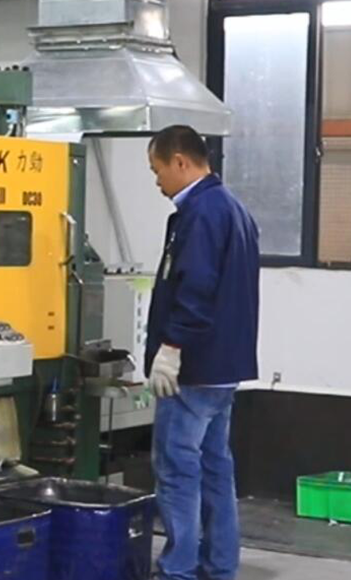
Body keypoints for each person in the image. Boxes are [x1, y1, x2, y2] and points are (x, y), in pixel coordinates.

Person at [143, 125, 261, 580]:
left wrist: (171, 347)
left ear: (180, 161)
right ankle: (219, 566)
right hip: (224, 368)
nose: (156, 181)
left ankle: (178, 570)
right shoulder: (233, 208)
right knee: (214, 469)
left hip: (192, 369)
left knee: (177, 470)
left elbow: (195, 287)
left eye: (157, 170)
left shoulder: (202, 213)